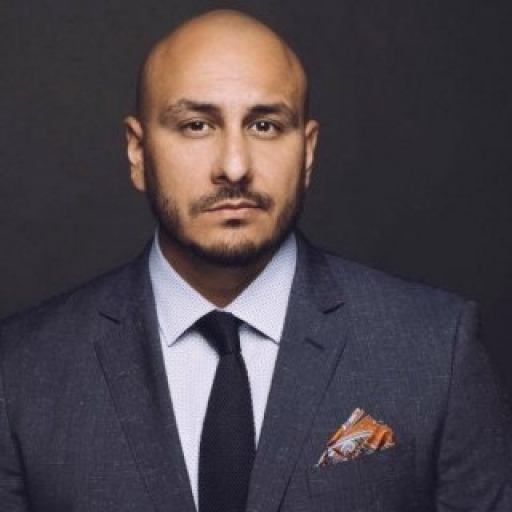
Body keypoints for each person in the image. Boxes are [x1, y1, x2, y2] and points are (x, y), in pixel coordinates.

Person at [1, 9, 511, 512]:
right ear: (138, 152)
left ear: (307, 152)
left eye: (265, 125)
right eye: (196, 125)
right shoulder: (20, 372)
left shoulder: (434, 348)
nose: (235, 166)